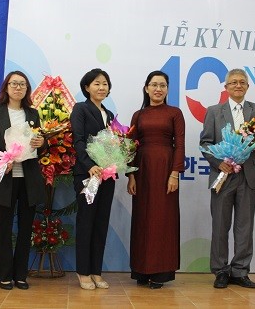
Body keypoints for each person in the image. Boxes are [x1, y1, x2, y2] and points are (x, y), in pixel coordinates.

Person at [199, 68, 255, 289]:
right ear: (226, 87)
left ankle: (240, 271)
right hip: (223, 174)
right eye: (233, 82)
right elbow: (205, 144)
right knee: (220, 225)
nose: (238, 85)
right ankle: (220, 270)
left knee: (244, 226)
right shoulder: (213, 111)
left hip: (249, 175)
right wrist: (219, 162)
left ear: (247, 86)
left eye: (242, 82)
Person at [0, 71, 46, 290]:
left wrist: (41, 141)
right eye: (14, 84)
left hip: (28, 178)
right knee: (3, 228)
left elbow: (41, 143)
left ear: (27, 89)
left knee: (25, 228)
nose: (18, 87)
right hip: (6, 177)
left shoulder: (32, 113)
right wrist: (4, 159)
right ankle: (4, 274)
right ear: (6, 87)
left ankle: (21, 274)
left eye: (22, 84)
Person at [126, 70, 185, 289]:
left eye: (162, 85)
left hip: (166, 169)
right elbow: (130, 146)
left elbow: (180, 144)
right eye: (154, 85)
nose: (158, 89)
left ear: (167, 89)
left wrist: (175, 173)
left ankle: (160, 272)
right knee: (143, 219)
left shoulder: (175, 113)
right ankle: (142, 270)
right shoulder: (138, 115)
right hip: (142, 171)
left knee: (163, 219)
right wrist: (130, 174)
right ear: (146, 88)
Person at [70, 68, 115, 290]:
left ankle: (96, 271)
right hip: (87, 175)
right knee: (86, 222)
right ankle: (83, 272)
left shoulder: (110, 115)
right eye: (96, 83)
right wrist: (90, 166)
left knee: (101, 224)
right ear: (87, 87)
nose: (101, 87)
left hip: (107, 176)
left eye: (105, 83)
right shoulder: (80, 109)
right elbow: (77, 141)